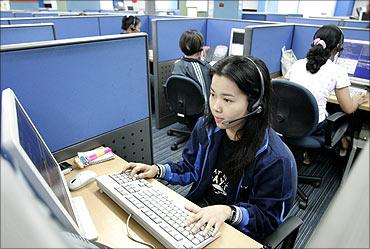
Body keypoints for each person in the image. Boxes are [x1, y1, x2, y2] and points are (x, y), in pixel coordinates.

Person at [121, 55, 297, 242]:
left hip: (238, 229)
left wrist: (228, 212)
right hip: (202, 212)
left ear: (255, 104)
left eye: (227, 100)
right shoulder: (207, 128)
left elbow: (266, 219)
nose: (215, 107)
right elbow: (190, 168)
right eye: (213, 95)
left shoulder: (275, 159)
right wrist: (158, 170)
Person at [285, 24, 368, 163]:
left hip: (288, 121)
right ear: (337, 48)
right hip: (312, 126)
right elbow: (348, 108)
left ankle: (309, 153)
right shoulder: (337, 71)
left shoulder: (297, 64)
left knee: (324, 109)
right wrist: (358, 99)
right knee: (343, 115)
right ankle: (343, 142)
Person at [172, 29, 212, 102]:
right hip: (200, 111)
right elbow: (204, 94)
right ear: (201, 47)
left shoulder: (177, 64)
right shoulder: (205, 66)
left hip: (182, 105)